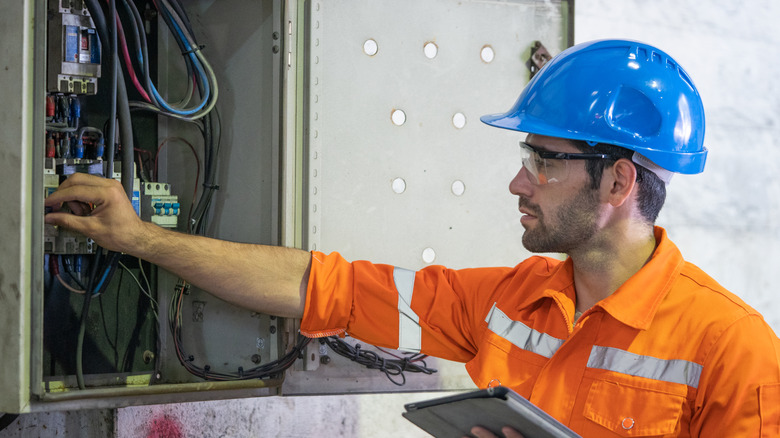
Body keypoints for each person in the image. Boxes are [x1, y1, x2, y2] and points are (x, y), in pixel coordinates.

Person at [45, 39, 780, 436]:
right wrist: (140, 240)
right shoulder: (510, 302)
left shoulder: (733, 351)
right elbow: (314, 286)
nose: (518, 184)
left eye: (542, 162)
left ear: (618, 183)